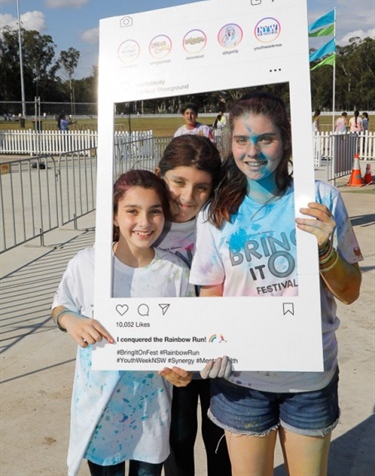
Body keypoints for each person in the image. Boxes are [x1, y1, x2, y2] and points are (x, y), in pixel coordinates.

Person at [190, 92, 362, 476]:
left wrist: (325, 251)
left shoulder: (319, 199)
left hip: (309, 378)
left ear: (285, 141)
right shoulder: (216, 213)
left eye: (265, 139)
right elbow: (210, 294)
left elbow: (350, 292)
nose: (252, 151)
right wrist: (211, 342)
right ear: (230, 143)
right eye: (241, 140)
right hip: (241, 379)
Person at [51, 169, 195, 476]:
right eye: (132, 211)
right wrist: (70, 320)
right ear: (114, 216)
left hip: (150, 414)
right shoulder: (87, 264)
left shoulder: (175, 272)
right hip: (99, 413)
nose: (144, 222)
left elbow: (189, 336)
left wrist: (186, 370)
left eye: (154, 212)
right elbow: (60, 304)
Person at [155, 135, 231, 476]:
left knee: (220, 438)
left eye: (201, 188)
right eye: (178, 182)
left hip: (219, 354)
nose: (188, 197)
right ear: (160, 175)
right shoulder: (141, 225)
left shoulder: (220, 223)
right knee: (179, 438)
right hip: (170, 359)